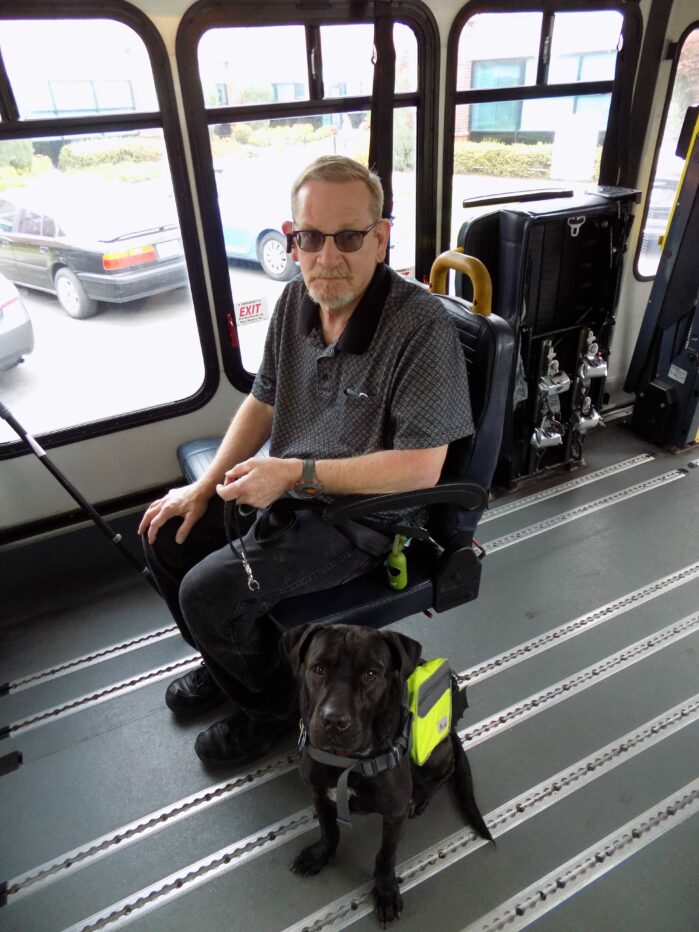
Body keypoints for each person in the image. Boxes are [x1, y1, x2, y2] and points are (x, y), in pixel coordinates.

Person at [139, 155, 473, 767]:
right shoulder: (296, 302)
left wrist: (293, 474)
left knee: (207, 595)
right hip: (290, 493)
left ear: (380, 237)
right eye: (310, 238)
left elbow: (422, 468)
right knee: (165, 533)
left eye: (349, 238)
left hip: (363, 520)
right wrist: (205, 488)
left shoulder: (419, 327)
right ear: (292, 239)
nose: (327, 256)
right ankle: (228, 665)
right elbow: (263, 400)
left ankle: (268, 710)